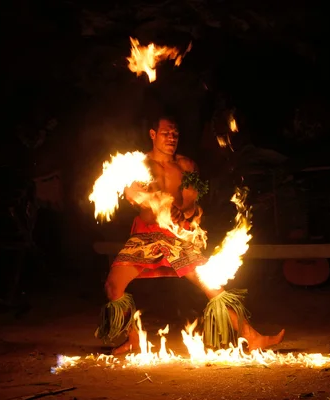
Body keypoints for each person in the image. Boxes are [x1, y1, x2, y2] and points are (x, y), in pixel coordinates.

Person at [95, 115, 285, 355]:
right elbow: (135, 198)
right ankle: (133, 339)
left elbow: (191, 202)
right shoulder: (137, 164)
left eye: (175, 134)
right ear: (153, 134)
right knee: (113, 286)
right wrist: (159, 205)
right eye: (166, 133)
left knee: (211, 284)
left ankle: (252, 336)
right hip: (145, 236)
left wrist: (184, 213)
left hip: (176, 236)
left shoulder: (186, 166)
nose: (171, 138)